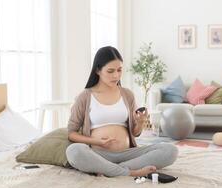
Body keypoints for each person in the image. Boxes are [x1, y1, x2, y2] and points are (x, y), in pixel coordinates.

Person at [66, 46, 178, 177]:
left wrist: (140, 122)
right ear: (97, 70)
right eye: (110, 71)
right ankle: (129, 172)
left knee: (170, 150)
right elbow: (71, 134)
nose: (116, 76)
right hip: (99, 154)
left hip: (128, 154)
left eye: (119, 70)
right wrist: (97, 142)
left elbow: (135, 133)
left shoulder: (127, 94)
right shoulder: (85, 96)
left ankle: (112, 170)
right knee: (74, 151)